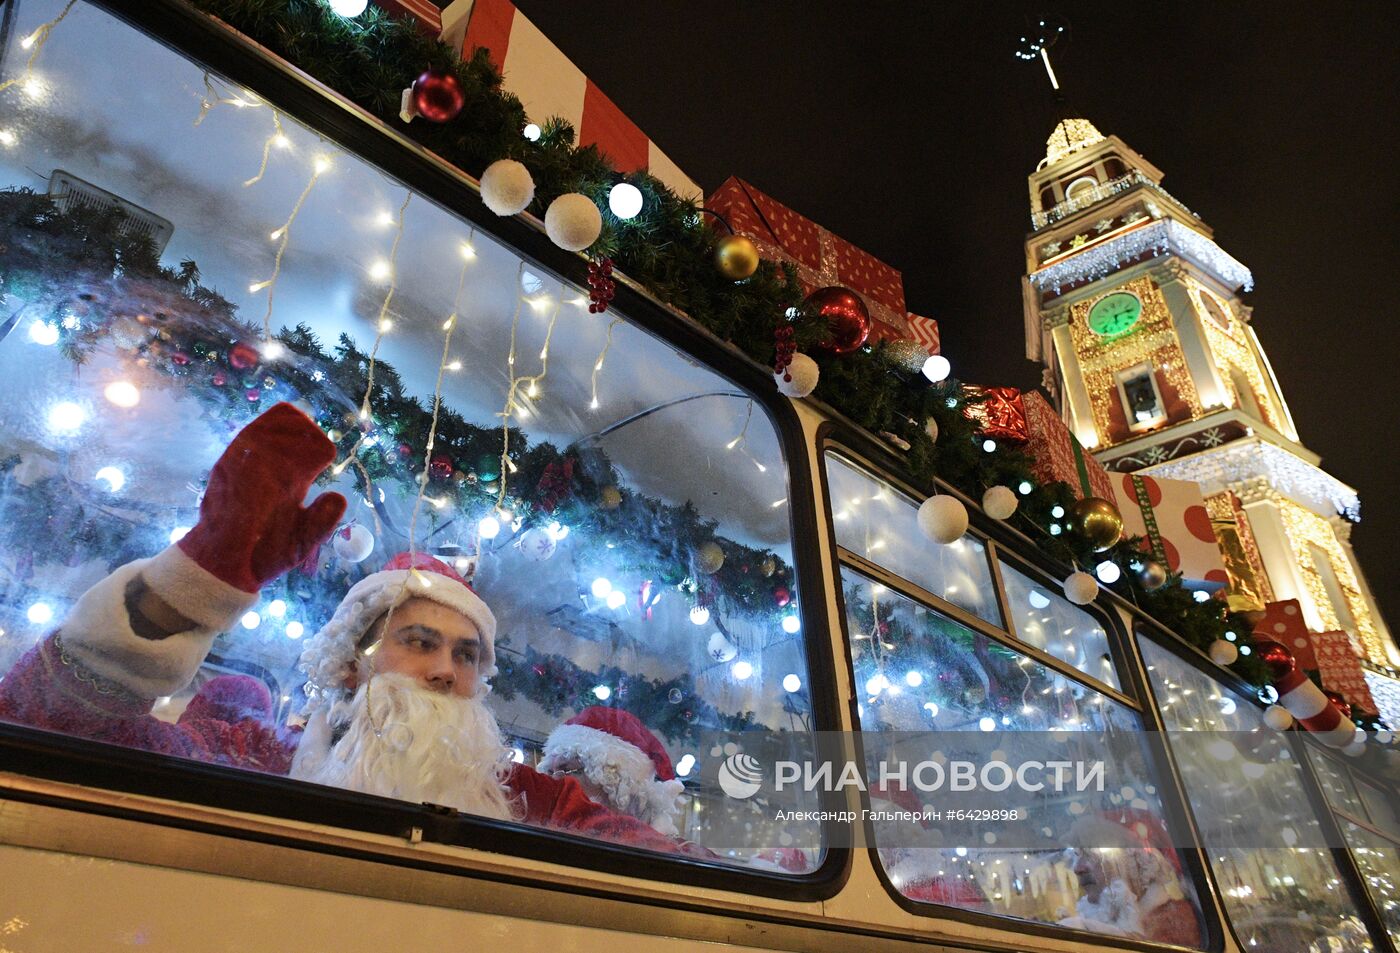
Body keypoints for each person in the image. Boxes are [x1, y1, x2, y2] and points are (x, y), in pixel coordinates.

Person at [0, 403, 701, 854]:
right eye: (418, 642)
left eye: (466, 655)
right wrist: (188, 592)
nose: (444, 671)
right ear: (352, 662)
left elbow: (664, 865)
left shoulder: (526, 796)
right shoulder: (254, 754)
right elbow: (52, 721)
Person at [1059, 810, 1202, 946]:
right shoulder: (1091, 922)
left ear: (1130, 863)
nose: (1078, 869)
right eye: (1075, 856)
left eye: (1092, 856)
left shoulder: (1177, 921)